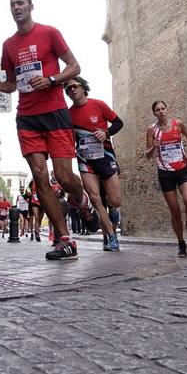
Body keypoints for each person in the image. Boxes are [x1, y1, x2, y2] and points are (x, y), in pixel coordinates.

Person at [0, 0, 96, 260]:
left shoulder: (50, 33)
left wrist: (51, 80)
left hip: (55, 114)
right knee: (39, 177)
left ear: (30, 7)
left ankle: (81, 201)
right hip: (27, 118)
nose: (16, 8)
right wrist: (1, 86)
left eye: (20, 3)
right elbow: (12, 84)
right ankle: (65, 240)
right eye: (12, 4)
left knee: (63, 176)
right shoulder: (8, 45)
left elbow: (75, 66)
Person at [66, 77, 122, 252]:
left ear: (84, 88)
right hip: (85, 160)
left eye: (75, 86)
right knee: (96, 199)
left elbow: (119, 123)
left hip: (105, 156)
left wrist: (106, 133)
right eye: (68, 89)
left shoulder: (98, 105)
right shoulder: (68, 114)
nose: (72, 90)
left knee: (114, 201)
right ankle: (111, 237)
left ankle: (112, 213)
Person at [146, 100, 187, 257]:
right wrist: (154, 147)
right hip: (165, 173)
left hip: (183, 169)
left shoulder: (178, 124)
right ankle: (181, 243)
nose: (161, 112)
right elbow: (147, 155)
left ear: (167, 109)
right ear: (154, 113)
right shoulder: (152, 130)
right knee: (175, 212)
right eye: (157, 110)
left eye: (163, 108)